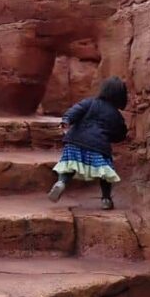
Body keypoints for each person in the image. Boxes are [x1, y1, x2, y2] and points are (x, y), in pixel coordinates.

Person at [49, 76, 129, 210]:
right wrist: (111, 138)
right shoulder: (116, 115)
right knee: (105, 174)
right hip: (98, 146)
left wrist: (66, 120)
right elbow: (120, 134)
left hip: (75, 140)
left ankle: (61, 183)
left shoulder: (90, 102)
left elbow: (76, 110)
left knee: (69, 166)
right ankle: (106, 199)